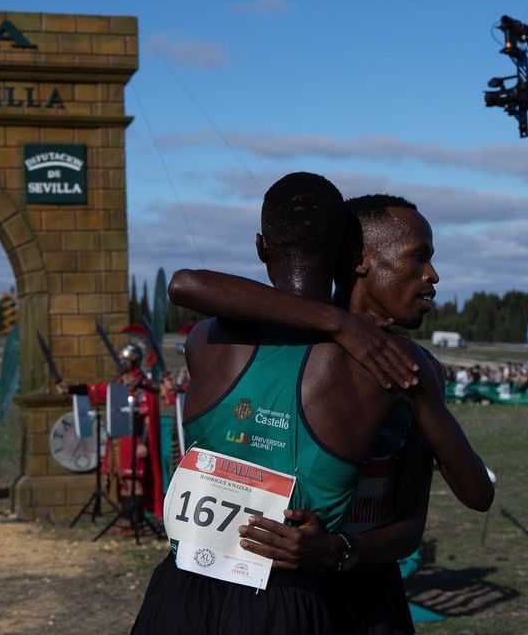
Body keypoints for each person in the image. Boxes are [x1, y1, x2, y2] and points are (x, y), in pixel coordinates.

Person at [132, 175, 492, 635]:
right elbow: (188, 285)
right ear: (358, 260)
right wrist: (341, 324)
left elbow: (420, 521)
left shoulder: (211, 339)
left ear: (264, 247)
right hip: (267, 591)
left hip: (327, 586)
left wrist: (339, 549)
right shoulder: (374, 361)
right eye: (419, 257)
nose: (433, 275)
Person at [56, 343, 164, 518]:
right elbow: (95, 390)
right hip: (118, 440)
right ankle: (128, 519)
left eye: (124, 360)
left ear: (133, 362)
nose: (120, 363)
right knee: (122, 481)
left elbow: (148, 417)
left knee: (133, 480)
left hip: (135, 440)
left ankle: (136, 520)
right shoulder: (119, 384)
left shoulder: (143, 386)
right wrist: (69, 389)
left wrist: (143, 443)